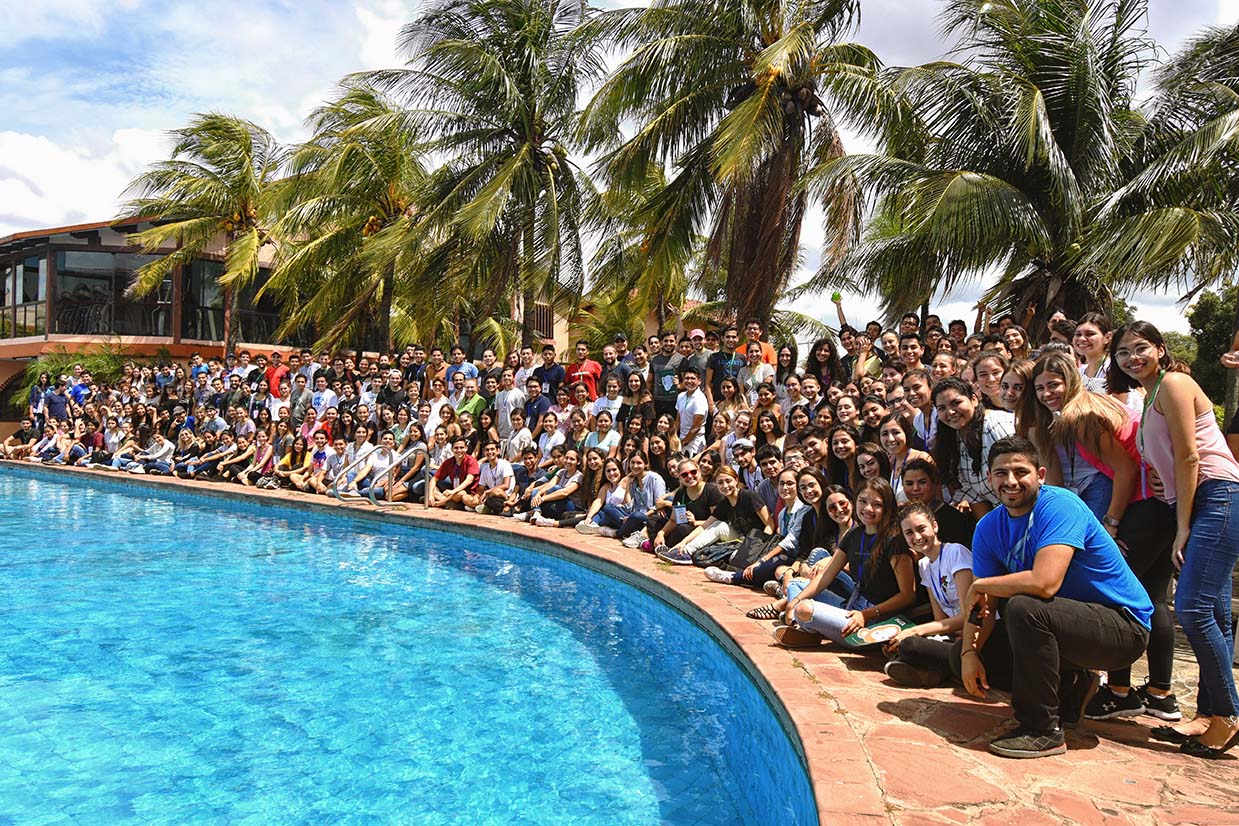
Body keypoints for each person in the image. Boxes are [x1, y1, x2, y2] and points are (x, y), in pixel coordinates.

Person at [960, 436, 1155, 759]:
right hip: (1069, 623)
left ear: (1041, 474)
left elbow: (1045, 583)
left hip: (1123, 627)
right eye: (1000, 473)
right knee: (980, 659)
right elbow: (983, 605)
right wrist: (968, 651)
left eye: (1020, 472)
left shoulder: (1060, 505)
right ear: (989, 478)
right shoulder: (988, 527)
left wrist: (980, 586)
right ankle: (1074, 685)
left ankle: (1042, 729)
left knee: (1023, 607)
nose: (1011, 481)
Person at [1109, 322, 1239, 756]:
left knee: (1193, 608)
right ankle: (1207, 714)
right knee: (1215, 613)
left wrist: (1181, 524)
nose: (1132, 358)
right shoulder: (1148, 400)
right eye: (1123, 353)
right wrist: (1167, 489)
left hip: (1216, 495)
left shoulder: (1176, 383)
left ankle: (1229, 713)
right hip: (1194, 500)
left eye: (1140, 348)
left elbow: (1190, 454)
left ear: (1161, 350)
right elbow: (1169, 461)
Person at [773, 477, 918, 648]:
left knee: (804, 609)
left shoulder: (894, 541)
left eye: (877, 504)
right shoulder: (854, 535)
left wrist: (867, 614)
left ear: (887, 508)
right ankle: (811, 631)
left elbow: (908, 595)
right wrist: (794, 601)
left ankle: (813, 629)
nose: (868, 509)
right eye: (863, 501)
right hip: (853, 606)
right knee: (796, 586)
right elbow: (825, 577)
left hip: (877, 620)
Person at [881, 502, 974, 687]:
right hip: (953, 636)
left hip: (976, 636)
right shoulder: (924, 565)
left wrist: (916, 631)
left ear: (935, 526)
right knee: (895, 642)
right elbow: (939, 618)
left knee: (910, 645)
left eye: (921, 528)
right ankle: (936, 671)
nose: (917, 537)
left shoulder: (956, 552)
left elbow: (967, 616)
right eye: (909, 533)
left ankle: (936, 669)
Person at [931, 377, 1014, 517]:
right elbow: (977, 500)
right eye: (942, 408)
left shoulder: (995, 425)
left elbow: (1020, 475)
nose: (950, 412)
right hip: (1004, 517)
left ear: (974, 400)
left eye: (956, 403)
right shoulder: (955, 442)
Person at [656, 466, 772, 563]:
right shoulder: (724, 503)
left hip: (757, 541)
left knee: (720, 528)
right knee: (717, 525)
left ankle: (686, 552)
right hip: (740, 539)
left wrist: (758, 548)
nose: (725, 486)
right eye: (720, 483)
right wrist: (684, 542)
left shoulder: (749, 496)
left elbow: (770, 524)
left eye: (728, 481)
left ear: (736, 480)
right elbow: (704, 526)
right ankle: (685, 552)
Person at [429, 437, 481, 510]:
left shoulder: (471, 460)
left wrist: (453, 491)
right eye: (456, 448)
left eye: (461, 448)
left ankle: (443, 502)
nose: (459, 450)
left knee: (462, 494)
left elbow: (469, 480)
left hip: (467, 493)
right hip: (454, 494)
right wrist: (430, 495)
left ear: (466, 448)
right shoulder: (448, 462)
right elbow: (434, 478)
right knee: (433, 489)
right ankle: (449, 502)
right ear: (452, 449)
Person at [674, 366, 708, 455]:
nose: (689, 381)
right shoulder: (680, 396)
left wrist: (684, 442)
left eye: (693, 378)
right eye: (687, 378)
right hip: (681, 439)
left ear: (699, 381)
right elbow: (678, 420)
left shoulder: (700, 399)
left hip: (695, 442)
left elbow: (696, 427)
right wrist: (673, 437)